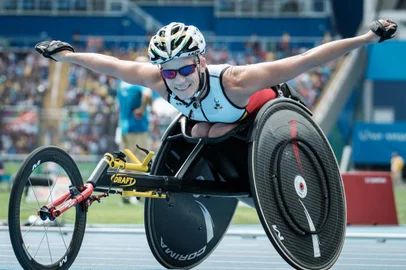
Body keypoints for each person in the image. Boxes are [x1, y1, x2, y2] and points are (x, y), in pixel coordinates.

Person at [35, 20, 397, 139]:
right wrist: (67, 55)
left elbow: (305, 60)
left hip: (256, 113)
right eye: (169, 71)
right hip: (209, 121)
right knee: (196, 133)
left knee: (208, 132)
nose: (176, 80)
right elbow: (111, 65)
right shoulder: (157, 80)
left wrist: (366, 39)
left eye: (185, 69)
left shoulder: (237, 80)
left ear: (201, 62)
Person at [117, 56, 152, 161]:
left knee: (124, 160)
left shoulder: (123, 82)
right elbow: (147, 95)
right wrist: (141, 109)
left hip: (124, 127)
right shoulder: (140, 81)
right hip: (138, 127)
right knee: (140, 160)